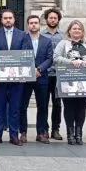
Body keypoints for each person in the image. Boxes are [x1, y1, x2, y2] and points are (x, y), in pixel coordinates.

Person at [0, 9, 32, 146]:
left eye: (10, 18)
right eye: (5, 18)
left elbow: (26, 54)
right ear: (1, 20)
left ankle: (14, 135)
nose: (8, 20)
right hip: (0, 79)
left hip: (17, 79)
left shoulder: (23, 35)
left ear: (14, 20)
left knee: (15, 108)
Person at [53, 20, 86, 145]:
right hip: (67, 82)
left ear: (82, 31)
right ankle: (70, 134)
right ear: (69, 31)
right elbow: (56, 58)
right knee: (69, 107)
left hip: (85, 82)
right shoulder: (63, 43)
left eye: (79, 29)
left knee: (81, 108)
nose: (76, 31)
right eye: (74, 29)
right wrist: (70, 62)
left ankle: (78, 134)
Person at [21, 15, 54, 144]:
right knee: (22, 106)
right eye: (31, 23)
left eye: (35, 23)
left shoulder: (47, 41)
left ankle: (41, 133)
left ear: (39, 24)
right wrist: (30, 69)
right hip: (25, 77)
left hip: (42, 78)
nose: (33, 25)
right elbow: (18, 55)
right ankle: (23, 132)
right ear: (28, 25)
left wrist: (39, 69)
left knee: (43, 106)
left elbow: (50, 58)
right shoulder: (22, 39)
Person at [42, 7, 64, 140]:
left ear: (58, 20)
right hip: (45, 74)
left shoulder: (63, 36)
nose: (53, 20)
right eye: (50, 18)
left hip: (59, 75)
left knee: (57, 104)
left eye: (55, 18)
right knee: (43, 103)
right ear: (46, 19)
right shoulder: (41, 35)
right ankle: (44, 129)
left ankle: (56, 129)